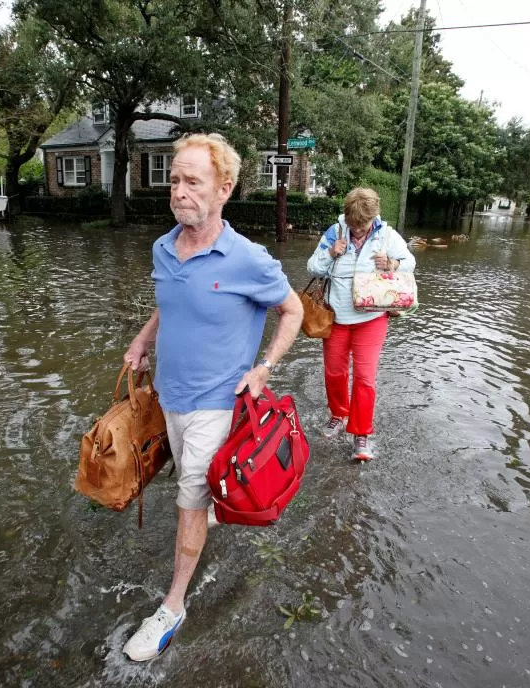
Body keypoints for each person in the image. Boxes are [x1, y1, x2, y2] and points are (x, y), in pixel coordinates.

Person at [121, 133, 303, 661]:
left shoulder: (249, 260)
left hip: (217, 404)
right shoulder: (162, 246)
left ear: (224, 189)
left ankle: (173, 607)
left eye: (192, 181)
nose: (178, 191)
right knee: (191, 486)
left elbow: (292, 310)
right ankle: (213, 504)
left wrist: (264, 368)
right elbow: (168, 300)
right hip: (168, 396)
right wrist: (142, 339)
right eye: (175, 179)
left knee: (188, 502)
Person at [306, 187, 415, 461]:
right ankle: (338, 415)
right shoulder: (335, 232)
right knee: (334, 373)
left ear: (373, 218)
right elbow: (312, 268)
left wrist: (391, 263)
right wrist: (331, 252)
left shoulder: (387, 236)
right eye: (353, 225)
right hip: (337, 318)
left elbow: (410, 263)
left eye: (362, 225)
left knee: (365, 379)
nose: (357, 231)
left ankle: (361, 433)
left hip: (371, 318)